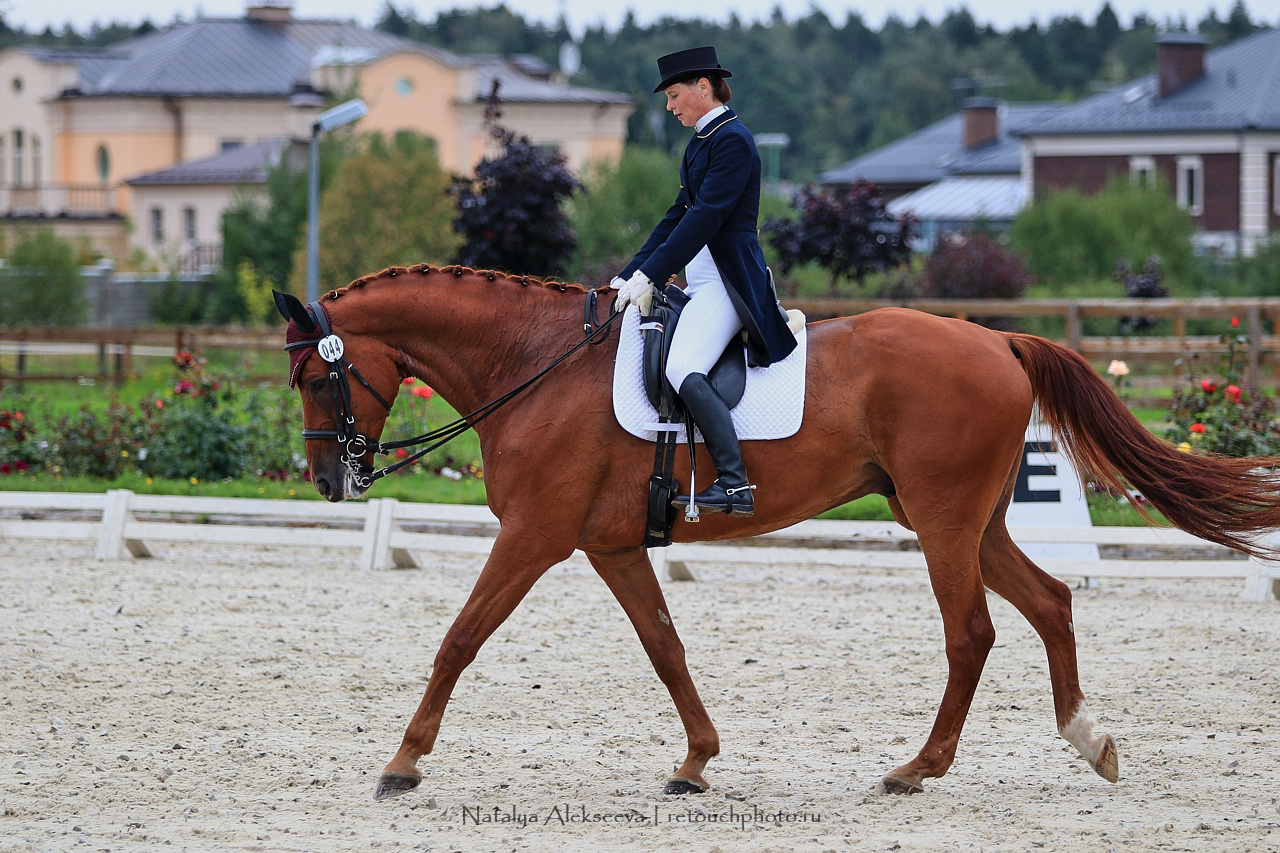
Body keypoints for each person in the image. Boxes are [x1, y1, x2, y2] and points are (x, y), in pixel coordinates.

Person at [613, 45, 797, 519]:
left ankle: (735, 485)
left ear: (703, 86)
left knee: (682, 368)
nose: (670, 106)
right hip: (701, 280)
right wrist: (633, 271)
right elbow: (678, 215)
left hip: (727, 282)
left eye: (674, 96)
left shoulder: (732, 140)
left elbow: (707, 217)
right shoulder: (701, 142)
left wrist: (653, 274)